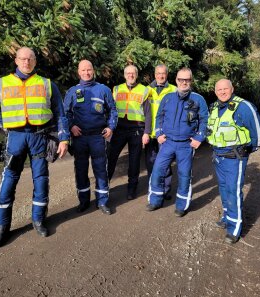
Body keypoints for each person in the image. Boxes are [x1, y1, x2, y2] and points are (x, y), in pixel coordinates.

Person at [0, 47, 69, 248]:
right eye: (23, 59)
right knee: (9, 180)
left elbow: (61, 113)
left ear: (35, 61)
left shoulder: (47, 84)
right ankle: (2, 227)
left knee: (41, 179)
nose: (26, 62)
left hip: (39, 136)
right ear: (16, 60)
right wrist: (6, 128)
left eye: (30, 59)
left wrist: (64, 138)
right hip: (15, 137)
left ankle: (39, 220)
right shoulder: (0, 84)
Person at [207, 79, 260, 244]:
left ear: (232, 89)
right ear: (215, 91)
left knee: (233, 190)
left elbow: (258, 130)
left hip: (235, 157)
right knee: (224, 189)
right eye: (219, 89)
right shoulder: (214, 107)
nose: (222, 92)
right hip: (218, 156)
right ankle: (227, 216)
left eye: (225, 88)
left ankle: (234, 227)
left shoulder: (243, 106)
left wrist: (249, 149)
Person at [147, 67, 208, 216]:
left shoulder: (198, 99)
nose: (184, 82)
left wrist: (199, 138)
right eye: (181, 79)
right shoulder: (168, 98)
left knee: (184, 174)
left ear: (191, 81)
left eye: (187, 80)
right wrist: (159, 133)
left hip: (185, 145)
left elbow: (205, 120)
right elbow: (159, 117)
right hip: (167, 142)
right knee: (157, 171)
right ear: (176, 80)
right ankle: (155, 200)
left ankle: (181, 206)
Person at [63, 60, 118, 215]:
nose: (86, 73)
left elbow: (113, 110)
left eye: (89, 70)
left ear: (93, 71)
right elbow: (65, 114)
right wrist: (71, 126)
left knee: (101, 170)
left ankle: (102, 201)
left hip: (97, 137)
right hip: (79, 137)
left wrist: (110, 127)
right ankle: (84, 201)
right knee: (80, 170)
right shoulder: (72, 92)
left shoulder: (103, 90)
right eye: (83, 70)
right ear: (78, 72)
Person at [107, 65, 151, 200]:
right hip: (119, 129)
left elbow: (148, 113)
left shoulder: (144, 90)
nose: (131, 75)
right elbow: (109, 109)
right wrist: (108, 127)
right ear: (124, 75)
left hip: (137, 129)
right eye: (128, 73)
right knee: (110, 157)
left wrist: (147, 132)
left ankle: (132, 189)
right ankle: (104, 187)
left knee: (134, 161)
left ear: (136, 75)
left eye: (133, 73)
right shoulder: (116, 89)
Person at [145, 64, 176, 200]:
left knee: (166, 163)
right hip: (150, 133)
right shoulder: (147, 90)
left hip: (165, 135)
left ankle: (165, 189)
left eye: (163, 73)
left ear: (167, 74)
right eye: (158, 73)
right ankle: (154, 188)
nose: (160, 76)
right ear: (154, 74)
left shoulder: (174, 90)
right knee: (151, 162)